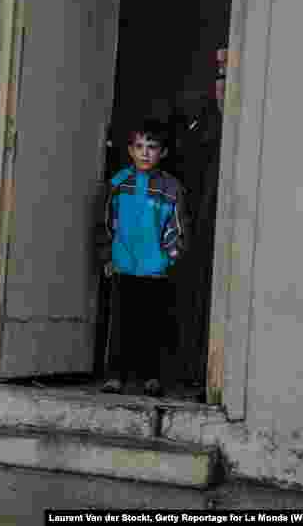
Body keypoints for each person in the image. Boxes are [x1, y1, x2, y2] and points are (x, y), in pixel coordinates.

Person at [96, 118, 188, 397]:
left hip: (155, 268)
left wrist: (170, 258)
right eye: (139, 146)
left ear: (163, 153)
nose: (145, 153)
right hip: (122, 264)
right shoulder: (118, 184)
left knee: (153, 324)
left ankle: (152, 377)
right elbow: (105, 223)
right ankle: (114, 376)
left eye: (152, 147)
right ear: (130, 150)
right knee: (121, 324)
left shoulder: (171, 188)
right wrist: (106, 256)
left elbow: (178, 227)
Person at [173, 48, 226, 386]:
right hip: (201, 214)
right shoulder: (203, 121)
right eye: (218, 78)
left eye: (227, 77)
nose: (222, 86)